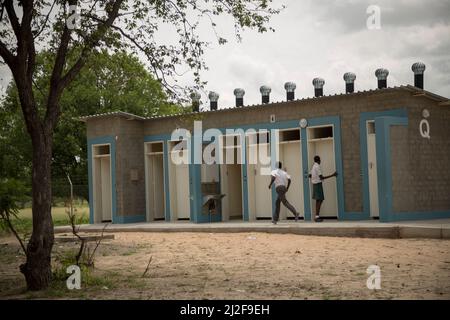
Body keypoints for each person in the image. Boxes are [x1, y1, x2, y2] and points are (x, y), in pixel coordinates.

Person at [309, 155, 337, 222]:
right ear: (319, 160)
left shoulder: (313, 166)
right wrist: (332, 175)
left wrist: (314, 178)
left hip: (315, 184)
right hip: (318, 185)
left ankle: (317, 216)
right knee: (319, 200)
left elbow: (309, 175)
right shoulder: (317, 166)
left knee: (318, 200)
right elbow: (321, 177)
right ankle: (317, 217)